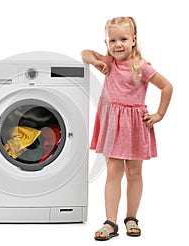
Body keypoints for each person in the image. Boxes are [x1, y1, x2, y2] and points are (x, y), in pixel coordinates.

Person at [81, 16, 173, 241]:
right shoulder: (109, 63)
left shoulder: (141, 66)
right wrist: (97, 62)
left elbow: (167, 86)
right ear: (107, 43)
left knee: (134, 172)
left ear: (134, 40)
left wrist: (159, 114)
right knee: (113, 172)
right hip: (113, 126)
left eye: (123, 39)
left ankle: (131, 217)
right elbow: (84, 53)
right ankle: (110, 222)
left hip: (134, 126)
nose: (118, 44)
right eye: (112, 40)